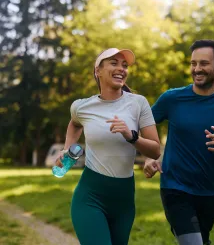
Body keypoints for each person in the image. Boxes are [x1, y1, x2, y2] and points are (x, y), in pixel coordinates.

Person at [144, 39, 214, 245]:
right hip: (175, 188)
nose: (197, 69)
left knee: (202, 241)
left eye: (203, 63)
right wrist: (153, 155)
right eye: (193, 63)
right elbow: (144, 124)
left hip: (209, 193)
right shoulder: (172, 98)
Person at [55, 48, 161, 245]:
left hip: (124, 200)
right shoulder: (82, 106)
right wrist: (66, 148)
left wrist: (132, 137)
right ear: (98, 71)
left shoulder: (139, 104)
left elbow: (155, 149)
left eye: (125, 65)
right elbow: (74, 123)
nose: (121, 68)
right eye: (114, 63)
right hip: (90, 197)